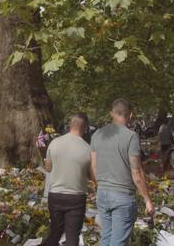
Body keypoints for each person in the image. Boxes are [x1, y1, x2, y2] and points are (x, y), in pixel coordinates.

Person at [90, 98, 155, 246]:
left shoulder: (98, 134)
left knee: (106, 238)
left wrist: (97, 186)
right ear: (130, 115)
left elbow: (93, 166)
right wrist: (147, 199)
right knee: (118, 242)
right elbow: (137, 172)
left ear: (111, 114)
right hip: (122, 195)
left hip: (103, 193)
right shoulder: (131, 136)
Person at [44, 113, 95, 246]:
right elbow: (93, 175)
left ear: (70, 125)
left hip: (55, 194)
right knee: (72, 237)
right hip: (76, 197)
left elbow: (48, 168)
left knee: (55, 232)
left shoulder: (54, 143)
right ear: (85, 128)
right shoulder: (88, 149)